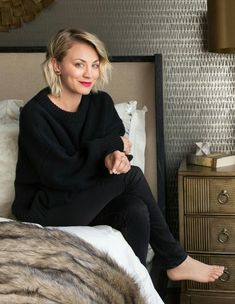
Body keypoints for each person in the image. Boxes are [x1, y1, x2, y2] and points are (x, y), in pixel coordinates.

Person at [12, 28, 224, 284]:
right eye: (79, 65)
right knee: (131, 177)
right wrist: (112, 145)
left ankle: (133, 287)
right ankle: (176, 260)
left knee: (135, 209)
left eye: (94, 64)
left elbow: (115, 149)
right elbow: (61, 174)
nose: (89, 74)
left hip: (82, 202)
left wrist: (115, 157)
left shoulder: (100, 103)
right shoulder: (36, 114)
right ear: (57, 65)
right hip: (47, 208)